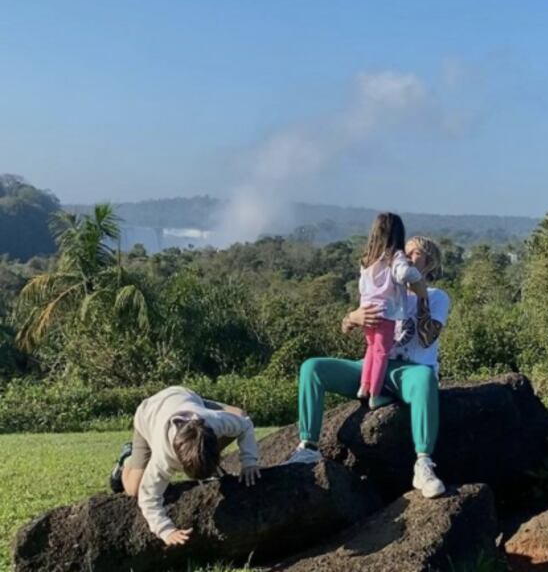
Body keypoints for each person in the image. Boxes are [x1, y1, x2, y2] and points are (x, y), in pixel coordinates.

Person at [286, 236, 450, 499]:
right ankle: (308, 446)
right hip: (373, 367)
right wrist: (352, 317)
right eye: (404, 252)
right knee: (312, 367)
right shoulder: (385, 289)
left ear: (429, 262)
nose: (407, 257)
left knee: (425, 379)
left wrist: (420, 297)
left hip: (408, 371)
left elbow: (428, 337)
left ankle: (423, 463)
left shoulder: (437, 297)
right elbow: (346, 325)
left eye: (415, 253)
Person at [109, 386, 260, 545]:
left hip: (184, 397)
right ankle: (127, 456)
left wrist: (249, 462)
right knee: (133, 489)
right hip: (148, 414)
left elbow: (245, 425)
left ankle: (208, 464)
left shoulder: (214, 422)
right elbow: (148, 498)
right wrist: (166, 530)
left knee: (240, 415)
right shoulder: (163, 457)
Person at [357, 213, 423, 408]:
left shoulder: (368, 259)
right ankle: (375, 395)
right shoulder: (395, 256)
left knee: (371, 349)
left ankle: (364, 386)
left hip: (367, 312)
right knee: (382, 353)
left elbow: (362, 287)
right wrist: (416, 278)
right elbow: (404, 273)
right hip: (386, 313)